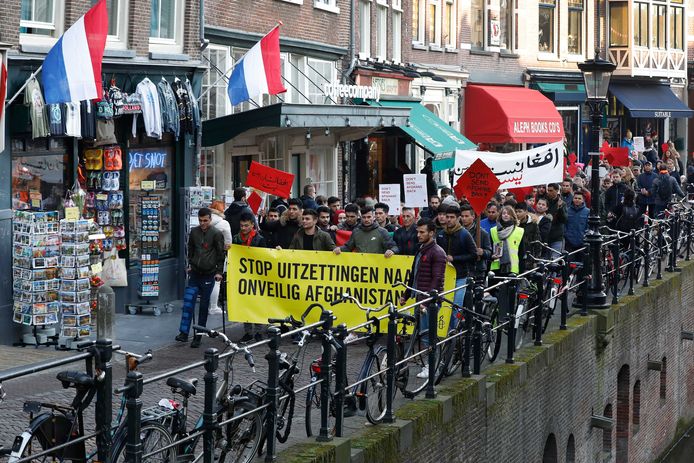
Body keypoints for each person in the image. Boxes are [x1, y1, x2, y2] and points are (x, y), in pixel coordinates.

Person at [399, 218, 447, 379]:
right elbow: (414, 275)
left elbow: (437, 279)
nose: (418, 235)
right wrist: (406, 295)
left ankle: (431, 365)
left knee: (427, 335)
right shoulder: (421, 249)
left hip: (428, 302)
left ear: (431, 233)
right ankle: (429, 362)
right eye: (417, 231)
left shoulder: (438, 253)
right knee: (421, 333)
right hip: (420, 299)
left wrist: (426, 302)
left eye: (422, 232)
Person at [176, 208, 225, 348]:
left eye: (205, 220)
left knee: (203, 306)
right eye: (200, 220)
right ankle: (184, 333)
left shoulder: (216, 234)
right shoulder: (194, 232)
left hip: (209, 273)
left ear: (210, 219)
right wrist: (191, 263)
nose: (203, 223)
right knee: (188, 303)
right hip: (195, 273)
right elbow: (190, 248)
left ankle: (198, 335)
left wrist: (219, 272)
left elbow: (221, 254)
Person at [436, 204, 476, 322]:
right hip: (444, 277)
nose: (448, 219)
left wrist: (455, 258)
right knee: (442, 306)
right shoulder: (441, 234)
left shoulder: (464, 234)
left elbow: (473, 255)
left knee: (456, 307)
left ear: (458, 218)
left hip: (460, 276)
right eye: (447, 217)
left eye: (452, 217)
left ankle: (454, 335)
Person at [232, 212, 268, 342]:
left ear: (252, 225)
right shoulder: (236, 239)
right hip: (242, 276)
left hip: (257, 277)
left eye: (246, 226)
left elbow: (263, 258)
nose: (243, 228)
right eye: (241, 226)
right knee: (245, 304)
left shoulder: (260, 239)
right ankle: (248, 331)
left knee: (257, 303)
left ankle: (258, 331)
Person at [489, 206, 525, 323]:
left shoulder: (519, 231)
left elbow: (521, 252)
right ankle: (495, 320)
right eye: (503, 213)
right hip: (496, 267)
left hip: (512, 269)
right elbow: (490, 249)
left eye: (508, 213)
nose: (505, 215)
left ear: (512, 216)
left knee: (510, 295)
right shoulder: (493, 231)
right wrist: (491, 256)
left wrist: (523, 271)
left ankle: (507, 319)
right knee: (496, 296)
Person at [334, 206, 398, 256]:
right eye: (364, 217)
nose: (366, 219)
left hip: (377, 267)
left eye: (369, 217)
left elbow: (394, 247)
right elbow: (348, 247)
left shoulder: (382, 232)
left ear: (373, 217)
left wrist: (392, 251)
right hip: (361, 267)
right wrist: (339, 249)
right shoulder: (356, 232)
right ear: (360, 217)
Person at [208, 200, 232, 315]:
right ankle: (213, 307)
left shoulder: (205, 221)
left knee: (206, 280)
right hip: (218, 255)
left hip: (204, 255)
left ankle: (206, 303)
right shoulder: (224, 223)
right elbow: (229, 242)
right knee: (217, 281)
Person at [460, 204, 492, 276]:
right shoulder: (458, 232)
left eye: (466, 216)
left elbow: (489, 252)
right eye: (462, 216)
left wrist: (483, 252)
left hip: (477, 269)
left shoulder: (482, 233)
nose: (464, 219)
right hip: (462, 268)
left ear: (473, 216)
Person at [514, 201, 541, 271]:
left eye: (520, 212)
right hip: (516, 256)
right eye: (516, 212)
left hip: (529, 256)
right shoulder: (514, 224)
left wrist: (536, 260)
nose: (517, 214)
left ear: (526, 212)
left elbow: (537, 242)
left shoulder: (533, 224)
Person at [545, 183, 567, 255]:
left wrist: (560, 208)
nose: (549, 192)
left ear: (557, 190)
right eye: (548, 190)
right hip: (546, 236)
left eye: (551, 190)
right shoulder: (545, 202)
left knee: (554, 261)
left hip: (557, 237)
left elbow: (564, 219)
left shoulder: (562, 203)